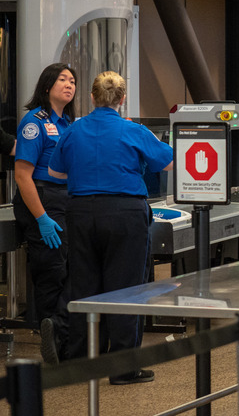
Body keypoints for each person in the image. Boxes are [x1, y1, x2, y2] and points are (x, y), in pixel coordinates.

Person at [48, 71, 173, 384]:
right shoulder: (132, 129)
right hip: (124, 213)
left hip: (79, 212)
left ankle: (80, 362)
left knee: (83, 285)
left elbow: (54, 170)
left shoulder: (74, 131)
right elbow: (168, 161)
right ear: (122, 99)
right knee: (126, 288)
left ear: (91, 98)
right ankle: (122, 367)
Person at [12, 62, 76, 365]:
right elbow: (23, 175)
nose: (69, 84)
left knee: (69, 268)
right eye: (63, 79)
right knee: (51, 269)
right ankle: (52, 335)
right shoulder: (33, 122)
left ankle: (62, 333)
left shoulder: (68, 124)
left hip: (64, 199)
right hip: (40, 197)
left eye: (73, 81)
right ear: (48, 85)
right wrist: (40, 218)